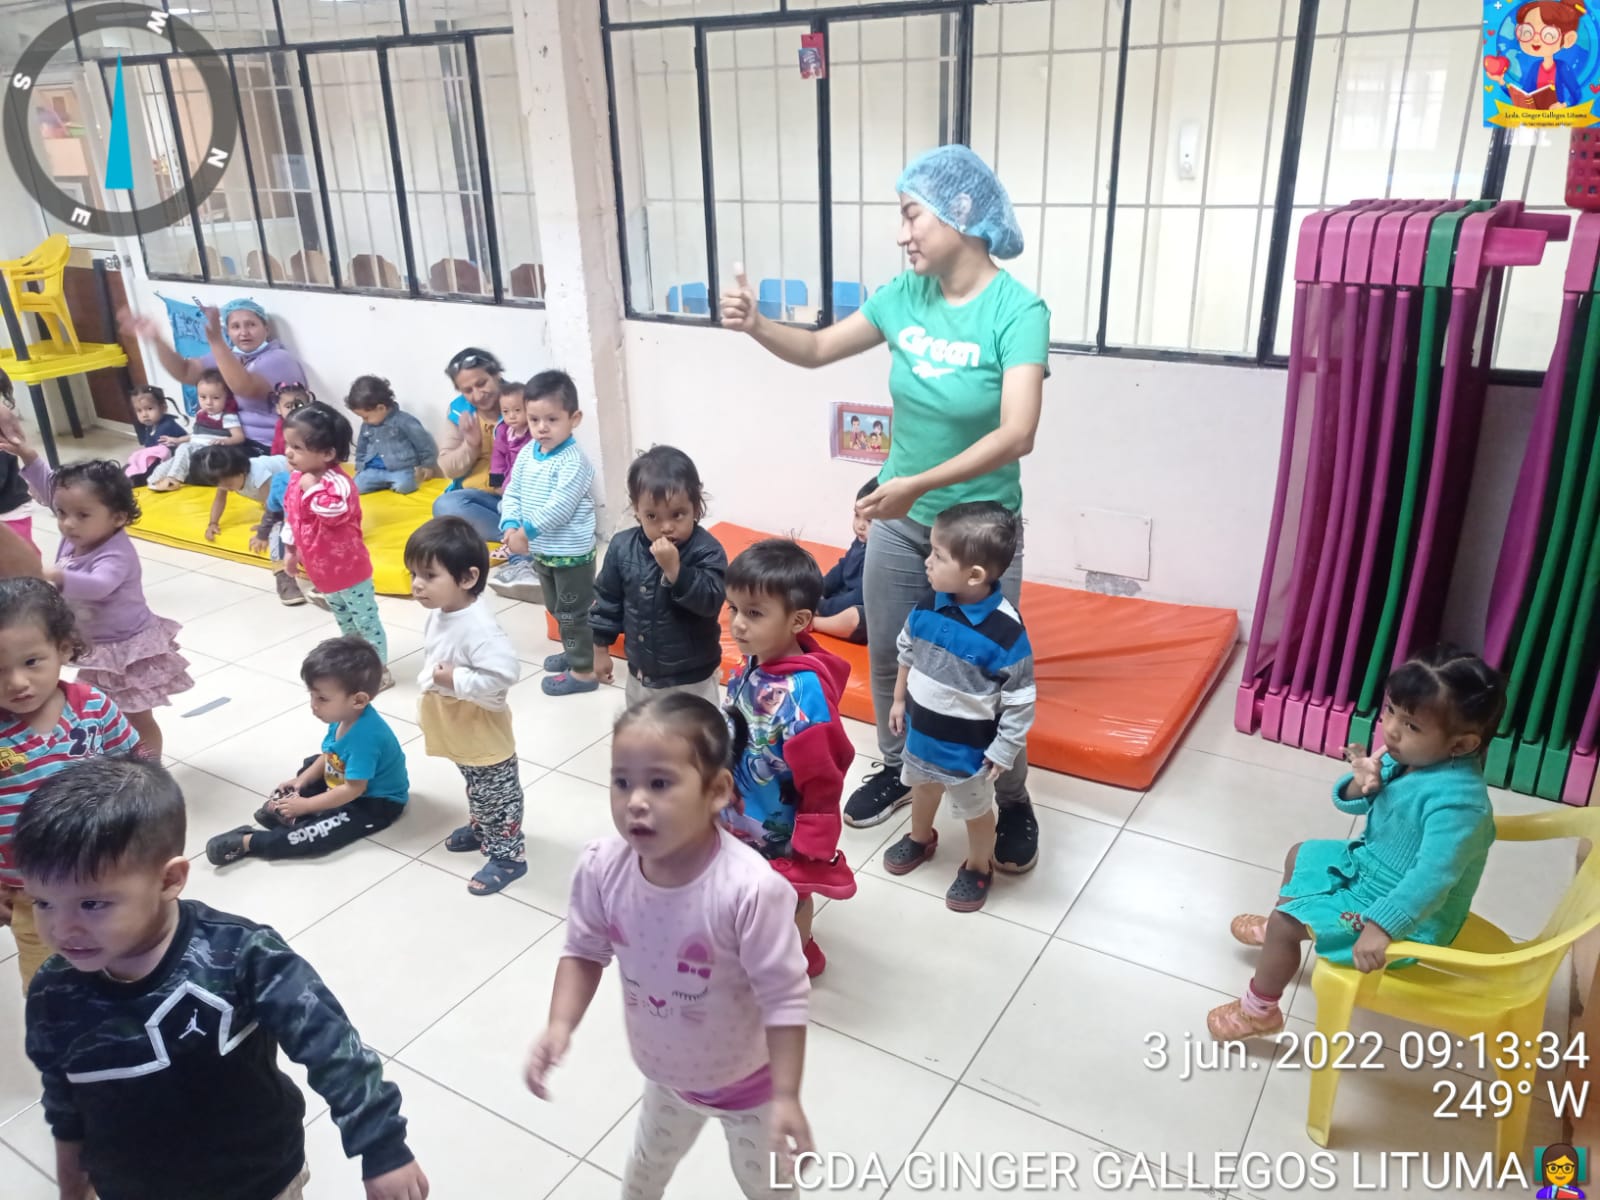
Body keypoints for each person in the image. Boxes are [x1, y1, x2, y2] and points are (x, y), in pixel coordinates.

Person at [720, 143, 1049, 874]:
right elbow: (815, 350)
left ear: (961, 214)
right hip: (901, 520)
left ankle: (1011, 796)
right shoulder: (904, 296)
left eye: (911, 216)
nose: (902, 234)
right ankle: (902, 768)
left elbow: (1017, 431)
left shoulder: (1017, 311)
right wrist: (758, 325)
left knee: (988, 671)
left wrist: (914, 483)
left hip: (980, 535)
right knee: (895, 653)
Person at [18, 758, 430, 1200]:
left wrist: (382, 1146)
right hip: (130, 1185)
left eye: (92, 904)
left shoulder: (242, 955)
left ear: (169, 880)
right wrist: (72, 1184)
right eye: (44, 903)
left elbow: (332, 1046)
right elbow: (64, 1100)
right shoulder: (51, 993)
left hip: (259, 1179)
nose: (61, 929)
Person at [524, 694, 813, 1198]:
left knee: (768, 1187)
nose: (635, 800)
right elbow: (584, 952)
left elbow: (785, 998)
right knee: (645, 1169)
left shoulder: (749, 891)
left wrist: (787, 1095)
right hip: (667, 1077)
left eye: (659, 783)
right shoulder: (602, 867)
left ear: (717, 790)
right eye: (621, 781)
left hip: (752, 1087)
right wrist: (559, 1025)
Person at [1208, 645, 1505, 1041]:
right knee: (1302, 853)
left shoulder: (1459, 804)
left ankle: (1259, 1012)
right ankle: (1290, 928)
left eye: (1412, 725)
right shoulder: (1412, 756)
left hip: (1412, 915)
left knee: (1284, 924)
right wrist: (1362, 783)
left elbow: (1433, 879)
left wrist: (1383, 927)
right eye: (1390, 711)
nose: (1391, 729)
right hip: (1372, 867)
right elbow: (1353, 800)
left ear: (1461, 745)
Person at [3, 409, 192, 762]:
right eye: (61, 514)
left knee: (137, 717)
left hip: (126, 648)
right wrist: (27, 456)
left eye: (82, 515)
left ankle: (148, 770)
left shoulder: (116, 552)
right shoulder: (81, 532)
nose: (67, 524)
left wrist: (57, 576)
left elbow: (100, 585)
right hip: (97, 645)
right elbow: (50, 489)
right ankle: (114, 761)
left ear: (118, 518)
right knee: (105, 710)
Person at [881, 502, 1035, 914]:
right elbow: (907, 650)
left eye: (937, 554)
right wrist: (898, 699)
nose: (927, 561)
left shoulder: (1006, 631)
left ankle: (979, 865)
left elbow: (1020, 700)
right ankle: (920, 837)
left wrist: (1004, 749)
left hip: (968, 752)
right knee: (922, 788)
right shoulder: (929, 603)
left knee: (975, 810)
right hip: (921, 736)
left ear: (975, 575)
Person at [723, 539, 856, 978]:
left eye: (754, 613)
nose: (738, 624)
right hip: (742, 812)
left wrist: (812, 839)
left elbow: (825, 775)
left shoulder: (805, 700)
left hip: (780, 830)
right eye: (733, 609)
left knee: (788, 896)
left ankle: (798, 956)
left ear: (798, 621)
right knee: (747, 888)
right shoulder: (753, 662)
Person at [0, 578, 138, 987]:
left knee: (127, 968)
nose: (16, 682)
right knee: (50, 985)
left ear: (63, 648)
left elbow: (139, 774)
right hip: (33, 897)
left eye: (31, 662)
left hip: (110, 875)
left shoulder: (93, 707)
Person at [206, 637, 409, 867]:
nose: (313, 704)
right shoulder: (343, 717)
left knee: (314, 835)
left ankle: (250, 842)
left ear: (358, 700)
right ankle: (295, 809)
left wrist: (307, 805)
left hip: (372, 803)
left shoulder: (366, 738)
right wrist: (301, 780)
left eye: (322, 698)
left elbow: (353, 789)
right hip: (348, 780)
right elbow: (328, 755)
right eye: (312, 694)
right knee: (311, 764)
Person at [405, 517, 527, 896]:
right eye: (413, 574)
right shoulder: (441, 612)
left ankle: (508, 854)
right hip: (455, 717)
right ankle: (483, 825)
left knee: (497, 791)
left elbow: (505, 674)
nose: (417, 584)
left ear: (468, 578)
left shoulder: (480, 628)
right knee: (475, 780)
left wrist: (455, 680)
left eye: (429, 575)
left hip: (479, 722)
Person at [489, 370, 600, 697]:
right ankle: (573, 650)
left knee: (573, 612)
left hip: (572, 555)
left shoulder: (574, 462)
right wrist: (510, 524)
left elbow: (559, 508)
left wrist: (526, 532)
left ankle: (583, 671)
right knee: (555, 607)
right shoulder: (527, 454)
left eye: (552, 419)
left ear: (574, 419)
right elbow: (513, 491)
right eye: (534, 419)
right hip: (544, 551)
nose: (542, 427)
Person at [589, 445, 726, 706]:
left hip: (692, 677)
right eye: (652, 516)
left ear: (696, 507)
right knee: (644, 728)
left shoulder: (706, 550)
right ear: (636, 510)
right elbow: (607, 601)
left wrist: (676, 571)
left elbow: (711, 601)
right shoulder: (622, 547)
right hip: (641, 673)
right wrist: (600, 649)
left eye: (677, 514)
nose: (666, 527)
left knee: (695, 732)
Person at [280, 401, 393, 688]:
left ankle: (378, 670)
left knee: (366, 621)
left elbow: (333, 514)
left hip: (350, 570)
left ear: (328, 453)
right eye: (288, 445)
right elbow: (293, 516)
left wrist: (313, 488)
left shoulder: (337, 483)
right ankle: (356, 666)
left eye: (297, 447)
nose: (288, 452)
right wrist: (290, 551)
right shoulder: (297, 479)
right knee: (346, 622)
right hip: (322, 571)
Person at [120, 297, 307, 449]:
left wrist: (216, 341)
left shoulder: (279, 359)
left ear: (266, 329)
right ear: (229, 332)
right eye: (235, 327)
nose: (243, 332)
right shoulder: (231, 356)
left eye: (251, 325)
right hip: (222, 438)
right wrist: (156, 340)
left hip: (264, 444)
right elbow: (185, 372)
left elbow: (243, 387)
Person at [429, 347, 507, 543]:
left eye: (482, 383)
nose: (478, 395)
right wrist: (471, 445)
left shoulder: (522, 402)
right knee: (445, 506)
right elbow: (449, 469)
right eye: (468, 390)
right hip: (482, 501)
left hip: (521, 496)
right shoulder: (460, 412)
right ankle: (513, 537)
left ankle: (520, 536)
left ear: (496, 375)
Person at [146, 368, 247, 491]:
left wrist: (225, 441)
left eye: (216, 398)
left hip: (211, 451)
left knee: (184, 448)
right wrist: (177, 440)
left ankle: (173, 480)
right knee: (170, 462)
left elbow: (239, 437)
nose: (208, 402)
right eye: (203, 397)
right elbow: (195, 435)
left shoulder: (227, 416)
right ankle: (153, 481)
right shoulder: (200, 414)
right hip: (195, 447)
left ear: (227, 397)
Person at [346, 375, 439, 495]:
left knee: (404, 486)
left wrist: (428, 465)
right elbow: (361, 447)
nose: (364, 421)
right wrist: (359, 465)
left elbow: (423, 443)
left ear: (381, 408)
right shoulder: (367, 426)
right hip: (373, 469)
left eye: (366, 417)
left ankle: (394, 483)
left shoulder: (405, 421)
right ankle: (381, 483)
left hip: (400, 468)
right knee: (355, 487)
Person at [811, 478, 877, 644]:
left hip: (860, 604)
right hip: (841, 598)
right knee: (804, 584)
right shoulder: (860, 542)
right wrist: (818, 590)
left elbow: (860, 596)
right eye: (857, 516)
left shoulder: (880, 554)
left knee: (857, 618)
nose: (860, 525)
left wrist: (822, 608)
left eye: (869, 521)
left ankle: (816, 623)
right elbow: (842, 568)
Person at [191, 443, 289, 548]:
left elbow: (272, 505)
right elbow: (219, 500)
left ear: (242, 471)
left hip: (289, 476)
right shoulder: (225, 477)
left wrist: (264, 530)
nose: (228, 489)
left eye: (229, 485)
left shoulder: (258, 474)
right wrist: (213, 523)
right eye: (221, 485)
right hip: (271, 490)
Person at [122, 383, 188, 485]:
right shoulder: (150, 426)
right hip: (159, 460)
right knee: (129, 467)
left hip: (172, 462)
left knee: (137, 473)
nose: (144, 414)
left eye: (149, 409)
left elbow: (162, 455)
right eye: (139, 411)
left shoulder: (167, 426)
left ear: (163, 408)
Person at [269, 380, 314, 456]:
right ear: (278, 409)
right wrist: (274, 458)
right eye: (288, 406)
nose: (293, 409)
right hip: (283, 458)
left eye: (299, 405)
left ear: (308, 406)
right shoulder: (280, 424)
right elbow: (275, 445)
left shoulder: (310, 425)